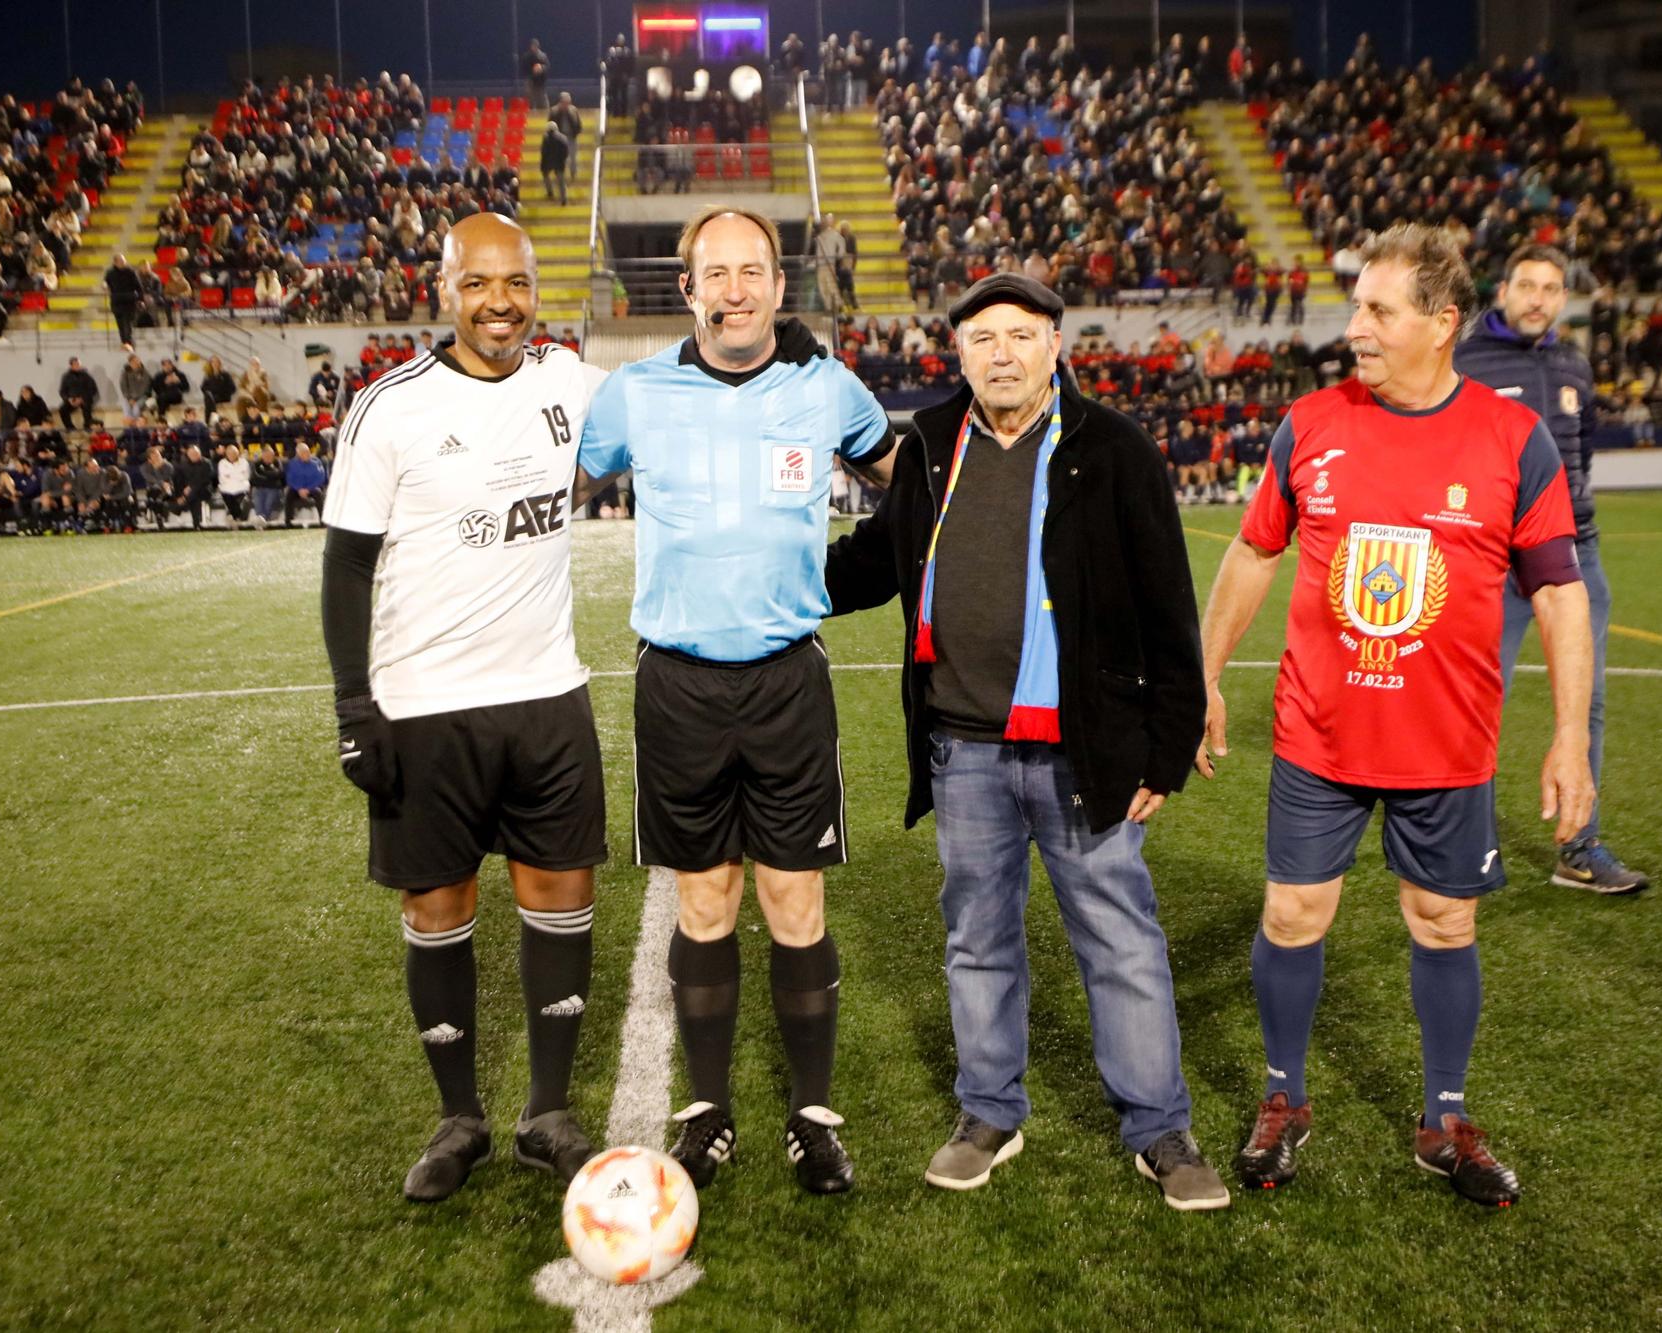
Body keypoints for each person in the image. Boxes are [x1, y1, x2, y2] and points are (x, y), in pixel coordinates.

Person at [1193, 223, 1594, 1209]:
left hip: (1446, 744)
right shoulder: (1310, 422)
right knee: (1291, 913)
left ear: (1439, 322)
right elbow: (1252, 552)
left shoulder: (1511, 439)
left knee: (1442, 921)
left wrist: (1570, 735)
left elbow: (1558, 592)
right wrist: (1202, 673)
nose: (1352, 328)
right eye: (1354, 307)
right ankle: (1282, 1097)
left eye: (1376, 310)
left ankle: (1441, 1116)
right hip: (1317, 738)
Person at [822, 273, 1226, 1207]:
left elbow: (1167, 599)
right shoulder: (929, 444)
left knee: (1121, 941)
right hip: (963, 748)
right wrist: (769, 578)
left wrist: (1165, 748)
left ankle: (1160, 1129)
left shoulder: (1113, 446)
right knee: (978, 938)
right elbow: (879, 564)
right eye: (982, 338)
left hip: (1084, 746)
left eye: (1019, 335)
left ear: (1055, 345)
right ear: (956, 352)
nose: (1000, 353)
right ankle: (989, 1111)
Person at [576, 207, 896, 1196]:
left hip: (784, 681)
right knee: (704, 899)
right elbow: (553, 470)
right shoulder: (634, 394)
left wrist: (853, 581)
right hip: (675, 683)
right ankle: (707, 1110)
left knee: (792, 896)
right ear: (688, 289)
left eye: (752, 269)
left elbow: (905, 481)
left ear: (777, 283)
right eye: (715, 271)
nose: (735, 287)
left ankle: (810, 1117)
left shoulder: (823, 386)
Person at [320, 213, 610, 1203]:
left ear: (537, 289)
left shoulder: (569, 383)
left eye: (517, 283)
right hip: (424, 708)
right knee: (436, 907)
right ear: (442, 287)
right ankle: (458, 1118)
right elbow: (346, 563)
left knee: (561, 897)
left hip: (545, 696)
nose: (500, 301)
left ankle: (547, 1112)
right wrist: (354, 705)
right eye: (479, 282)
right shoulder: (388, 407)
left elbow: (673, 414)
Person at [1454, 244, 1646, 894]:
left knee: (1585, 704)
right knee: (1481, 701)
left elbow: (1582, 447)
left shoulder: (1572, 361)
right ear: (1502, 288)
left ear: (1564, 298)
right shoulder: (1463, 356)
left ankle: (1580, 846)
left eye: (1552, 288)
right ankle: (1466, 841)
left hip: (1574, 552)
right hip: (1492, 557)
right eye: (1527, 285)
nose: (1539, 298)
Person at [103, 253, 141, 348]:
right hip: (117, 302)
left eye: (124, 261)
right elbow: (105, 282)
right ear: (115, 262)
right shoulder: (110, 273)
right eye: (121, 261)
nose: (124, 263)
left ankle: (129, 344)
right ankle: (124, 343)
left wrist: (141, 299)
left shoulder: (131, 272)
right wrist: (104, 285)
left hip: (130, 302)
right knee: (120, 325)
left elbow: (138, 286)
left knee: (128, 325)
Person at [284, 442, 327, 526]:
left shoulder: (316, 462)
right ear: (298, 454)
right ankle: (288, 522)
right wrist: (299, 489)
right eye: (304, 453)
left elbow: (321, 478)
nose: (307, 454)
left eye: (308, 452)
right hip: (297, 489)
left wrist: (308, 489)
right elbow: (289, 479)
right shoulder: (292, 464)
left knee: (318, 493)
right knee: (289, 494)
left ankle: (322, 521)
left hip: (312, 488)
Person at [216, 442, 252, 528]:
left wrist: (231, 475)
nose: (232, 455)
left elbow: (245, 476)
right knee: (231, 500)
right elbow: (223, 478)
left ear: (238, 453)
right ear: (226, 454)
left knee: (242, 501)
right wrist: (237, 474)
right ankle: (237, 520)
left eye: (234, 453)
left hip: (242, 488)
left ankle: (234, 519)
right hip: (226, 489)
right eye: (229, 454)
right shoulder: (222, 463)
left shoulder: (244, 462)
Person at [59, 357, 99, 432]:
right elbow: (62, 391)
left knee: (87, 408)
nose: (77, 366)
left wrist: (82, 399)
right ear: (71, 366)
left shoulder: (86, 376)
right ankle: (70, 428)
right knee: (62, 410)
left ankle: (87, 427)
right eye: (75, 364)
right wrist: (69, 399)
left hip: (85, 399)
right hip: (72, 400)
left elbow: (93, 389)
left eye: (78, 364)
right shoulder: (66, 377)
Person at [250, 444, 284, 526]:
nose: (269, 458)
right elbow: (254, 478)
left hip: (273, 488)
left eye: (271, 456)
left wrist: (265, 475)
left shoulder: (277, 462)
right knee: (257, 498)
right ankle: (261, 518)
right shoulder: (257, 464)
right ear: (262, 456)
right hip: (259, 488)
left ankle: (263, 519)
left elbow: (279, 475)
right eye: (267, 456)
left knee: (269, 501)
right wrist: (270, 476)